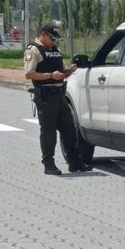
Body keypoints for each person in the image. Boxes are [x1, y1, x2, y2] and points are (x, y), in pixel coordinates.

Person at [24, 22, 92, 176]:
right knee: (48, 133)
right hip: (46, 97)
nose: (54, 42)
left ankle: (75, 163)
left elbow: (61, 72)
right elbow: (29, 74)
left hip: (60, 95)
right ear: (44, 34)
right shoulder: (34, 50)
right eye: (52, 38)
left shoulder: (55, 50)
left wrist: (69, 71)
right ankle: (49, 164)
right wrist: (50, 76)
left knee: (69, 129)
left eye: (55, 39)